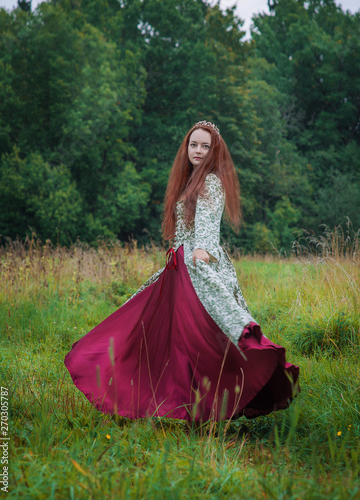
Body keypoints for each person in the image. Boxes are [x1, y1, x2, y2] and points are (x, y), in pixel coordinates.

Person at [64, 120, 299, 422]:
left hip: (195, 263)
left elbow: (206, 224)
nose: (198, 150)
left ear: (214, 150)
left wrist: (200, 254)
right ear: (186, 147)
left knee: (199, 337)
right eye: (194, 144)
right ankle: (173, 402)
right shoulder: (189, 179)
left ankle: (205, 402)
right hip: (179, 264)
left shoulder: (211, 181)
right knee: (166, 337)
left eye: (205, 146)